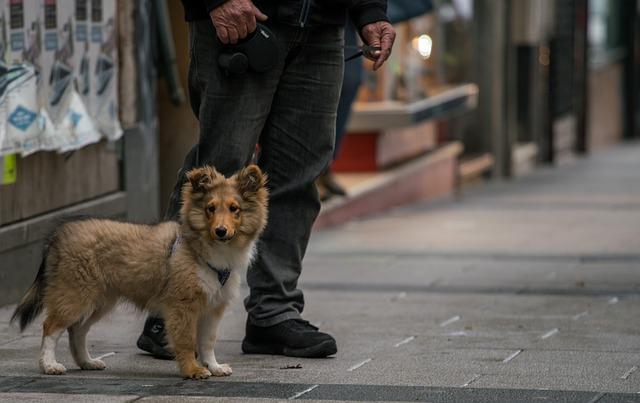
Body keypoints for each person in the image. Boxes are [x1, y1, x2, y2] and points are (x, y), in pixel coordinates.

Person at [137, 0, 396, 359]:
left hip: (322, 28)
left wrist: (371, 12)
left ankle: (273, 312)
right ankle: (169, 310)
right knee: (218, 172)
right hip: (243, 22)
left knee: (299, 173)